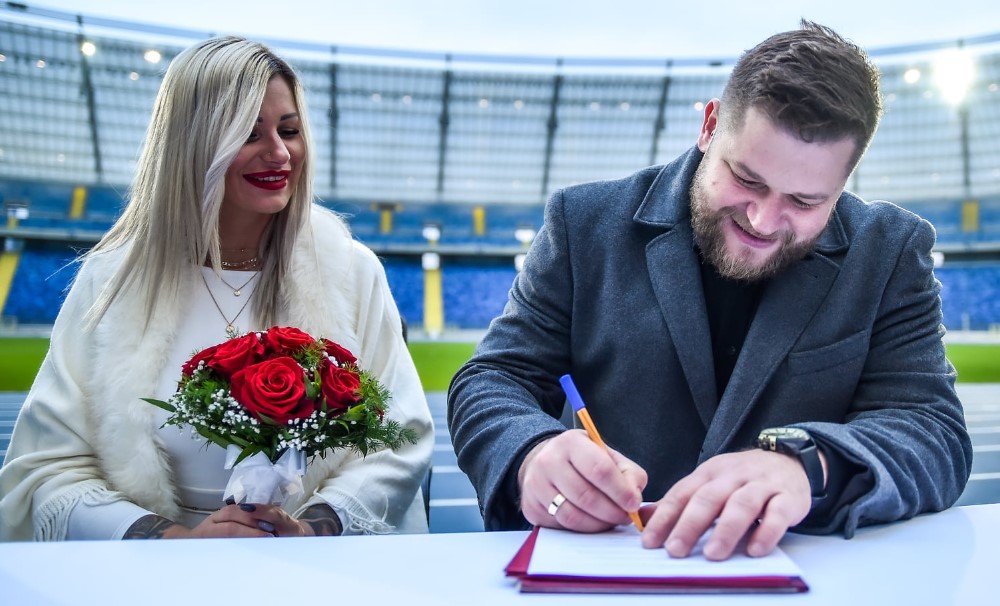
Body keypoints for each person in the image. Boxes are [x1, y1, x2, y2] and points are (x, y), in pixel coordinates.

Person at [447, 21, 972, 561]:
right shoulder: (583, 223)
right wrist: (531, 455)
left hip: (797, 577)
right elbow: (493, 378)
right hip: (605, 568)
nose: (763, 221)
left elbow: (931, 430)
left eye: (805, 201)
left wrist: (808, 466)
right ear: (710, 125)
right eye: (747, 179)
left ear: (844, 182)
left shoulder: (890, 251)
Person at [0, 37, 433, 541]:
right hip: (152, 573)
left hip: (315, 565)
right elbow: (51, 467)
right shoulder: (110, 280)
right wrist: (171, 540)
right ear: (192, 144)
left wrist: (314, 528)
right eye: (248, 133)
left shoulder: (351, 271)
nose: (279, 153)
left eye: (289, 130)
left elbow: (399, 438)